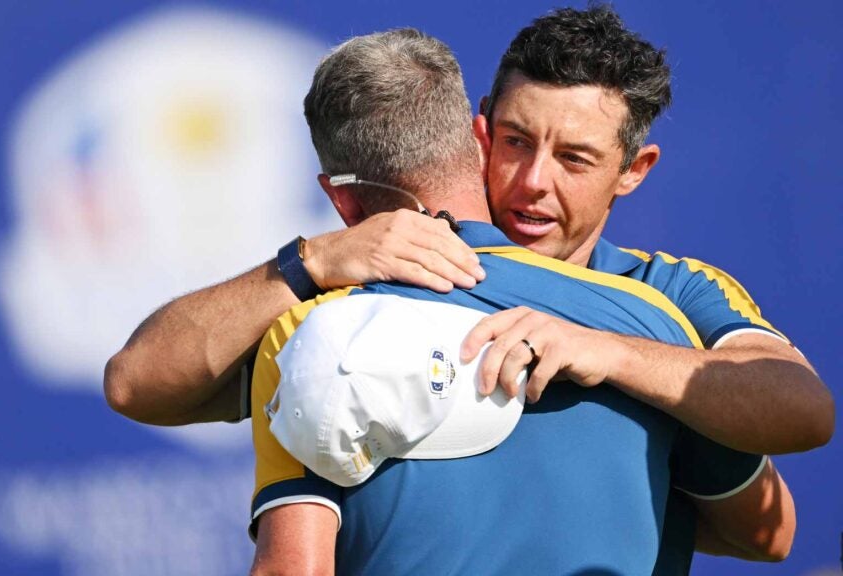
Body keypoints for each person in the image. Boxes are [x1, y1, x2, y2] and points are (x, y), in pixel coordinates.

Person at [104, 2, 828, 563]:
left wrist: (608, 358)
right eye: (516, 142)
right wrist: (310, 262)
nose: (533, 183)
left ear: (633, 171)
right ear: (479, 133)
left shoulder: (667, 301)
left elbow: (787, 469)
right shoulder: (349, 305)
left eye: (574, 158)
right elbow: (137, 383)